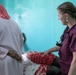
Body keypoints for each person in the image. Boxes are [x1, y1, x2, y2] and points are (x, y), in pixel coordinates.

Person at [43, 2, 76, 75]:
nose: (58, 18)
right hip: (64, 66)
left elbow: (75, 60)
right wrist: (48, 50)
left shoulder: (74, 33)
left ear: (66, 16)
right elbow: (61, 45)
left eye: (59, 16)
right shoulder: (68, 29)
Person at [0, 4, 23, 75]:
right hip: (17, 60)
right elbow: (21, 41)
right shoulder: (14, 23)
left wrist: (7, 51)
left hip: (3, 62)